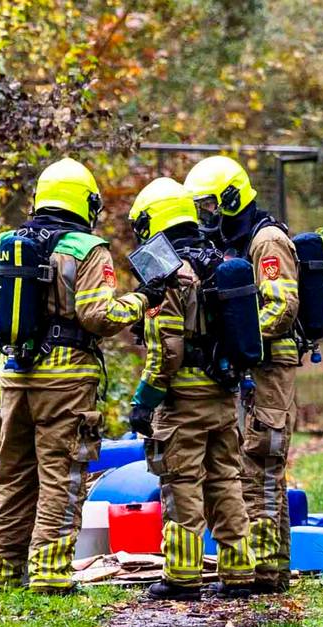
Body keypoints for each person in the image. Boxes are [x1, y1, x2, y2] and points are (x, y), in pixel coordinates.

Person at [0, 158, 167, 594]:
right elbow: (97, 315)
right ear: (87, 203)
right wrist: (142, 300)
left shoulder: (7, 243)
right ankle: (49, 575)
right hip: (66, 382)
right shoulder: (86, 249)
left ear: (41, 197)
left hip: (15, 378)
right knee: (61, 476)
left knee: (12, 477)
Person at [125, 177, 255, 601]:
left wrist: (146, 400)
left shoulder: (168, 272)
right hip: (223, 394)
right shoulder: (219, 258)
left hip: (183, 399)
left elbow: (167, 348)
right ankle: (237, 572)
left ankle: (182, 577)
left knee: (181, 483)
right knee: (225, 481)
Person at [185, 155, 300, 595]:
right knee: (245, 464)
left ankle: (267, 574)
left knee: (262, 463)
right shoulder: (232, 243)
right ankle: (261, 567)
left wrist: (236, 339)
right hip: (250, 365)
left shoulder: (266, 240)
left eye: (211, 206)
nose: (205, 216)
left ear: (232, 198)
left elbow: (281, 308)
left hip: (272, 365)